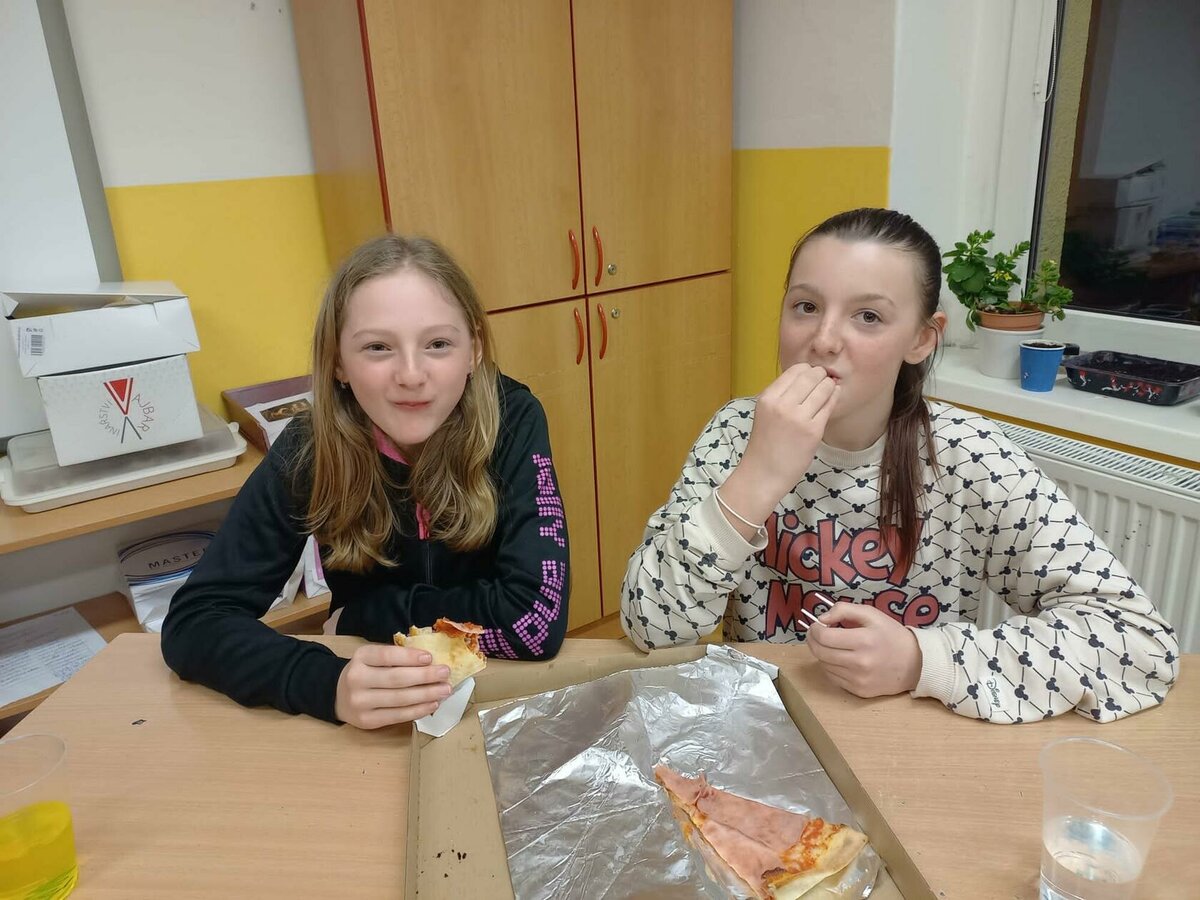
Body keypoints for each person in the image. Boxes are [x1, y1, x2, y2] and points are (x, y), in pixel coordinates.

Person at [620, 208, 1178, 723]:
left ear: (921, 339)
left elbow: (1139, 642)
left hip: (914, 737)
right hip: (767, 727)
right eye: (806, 307)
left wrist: (920, 659)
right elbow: (652, 628)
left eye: (868, 316)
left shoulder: (970, 456)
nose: (823, 341)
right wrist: (757, 477)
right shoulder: (735, 433)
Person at [163, 235, 569, 729]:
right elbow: (193, 622)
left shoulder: (512, 420)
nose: (411, 375)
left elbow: (534, 622)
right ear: (338, 361)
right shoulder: (310, 450)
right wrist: (325, 683)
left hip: (497, 699)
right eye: (378, 347)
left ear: (474, 350)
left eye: (438, 344)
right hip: (374, 705)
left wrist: (366, 615)